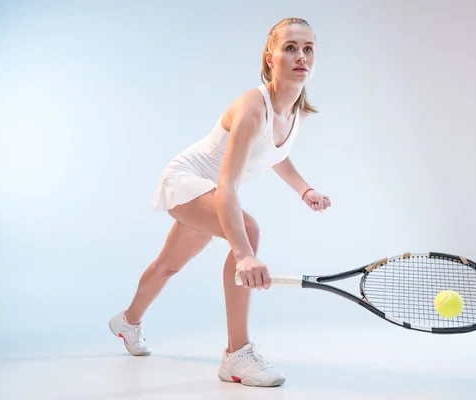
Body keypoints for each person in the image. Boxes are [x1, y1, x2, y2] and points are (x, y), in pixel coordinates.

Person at [108, 17, 331, 387]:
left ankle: (127, 322)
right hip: (186, 181)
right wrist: (243, 253)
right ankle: (236, 355)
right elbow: (227, 187)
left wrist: (304, 190)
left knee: (167, 265)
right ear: (270, 57)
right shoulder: (252, 107)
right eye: (290, 47)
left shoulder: (296, 112)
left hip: (213, 193)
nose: (300, 56)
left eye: (308, 48)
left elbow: (276, 154)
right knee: (250, 230)